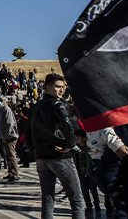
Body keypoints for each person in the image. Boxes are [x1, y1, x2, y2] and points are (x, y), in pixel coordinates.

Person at [25, 73, 84, 218]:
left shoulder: (35, 107)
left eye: (62, 87)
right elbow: (68, 125)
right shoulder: (57, 104)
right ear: (48, 88)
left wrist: (36, 153)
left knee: (47, 199)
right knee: (76, 200)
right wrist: (70, 145)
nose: (61, 90)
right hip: (60, 156)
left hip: (42, 158)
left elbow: (27, 135)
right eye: (58, 87)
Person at [0, 96, 19, 182]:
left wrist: (6, 134)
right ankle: (10, 172)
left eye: (2, 101)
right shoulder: (2, 111)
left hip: (10, 136)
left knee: (11, 154)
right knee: (8, 155)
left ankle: (15, 172)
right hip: (5, 136)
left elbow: (10, 123)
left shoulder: (7, 110)